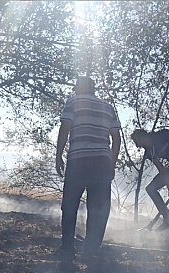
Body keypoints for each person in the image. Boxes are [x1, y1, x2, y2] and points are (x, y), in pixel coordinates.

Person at [56, 76, 121, 262]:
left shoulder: (74, 102)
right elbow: (116, 138)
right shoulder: (108, 107)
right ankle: (90, 251)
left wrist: (58, 155)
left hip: (78, 159)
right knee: (99, 208)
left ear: (78, 88)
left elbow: (65, 127)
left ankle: (68, 248)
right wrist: (112, 163)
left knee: (69, 204)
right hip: (101, 162)